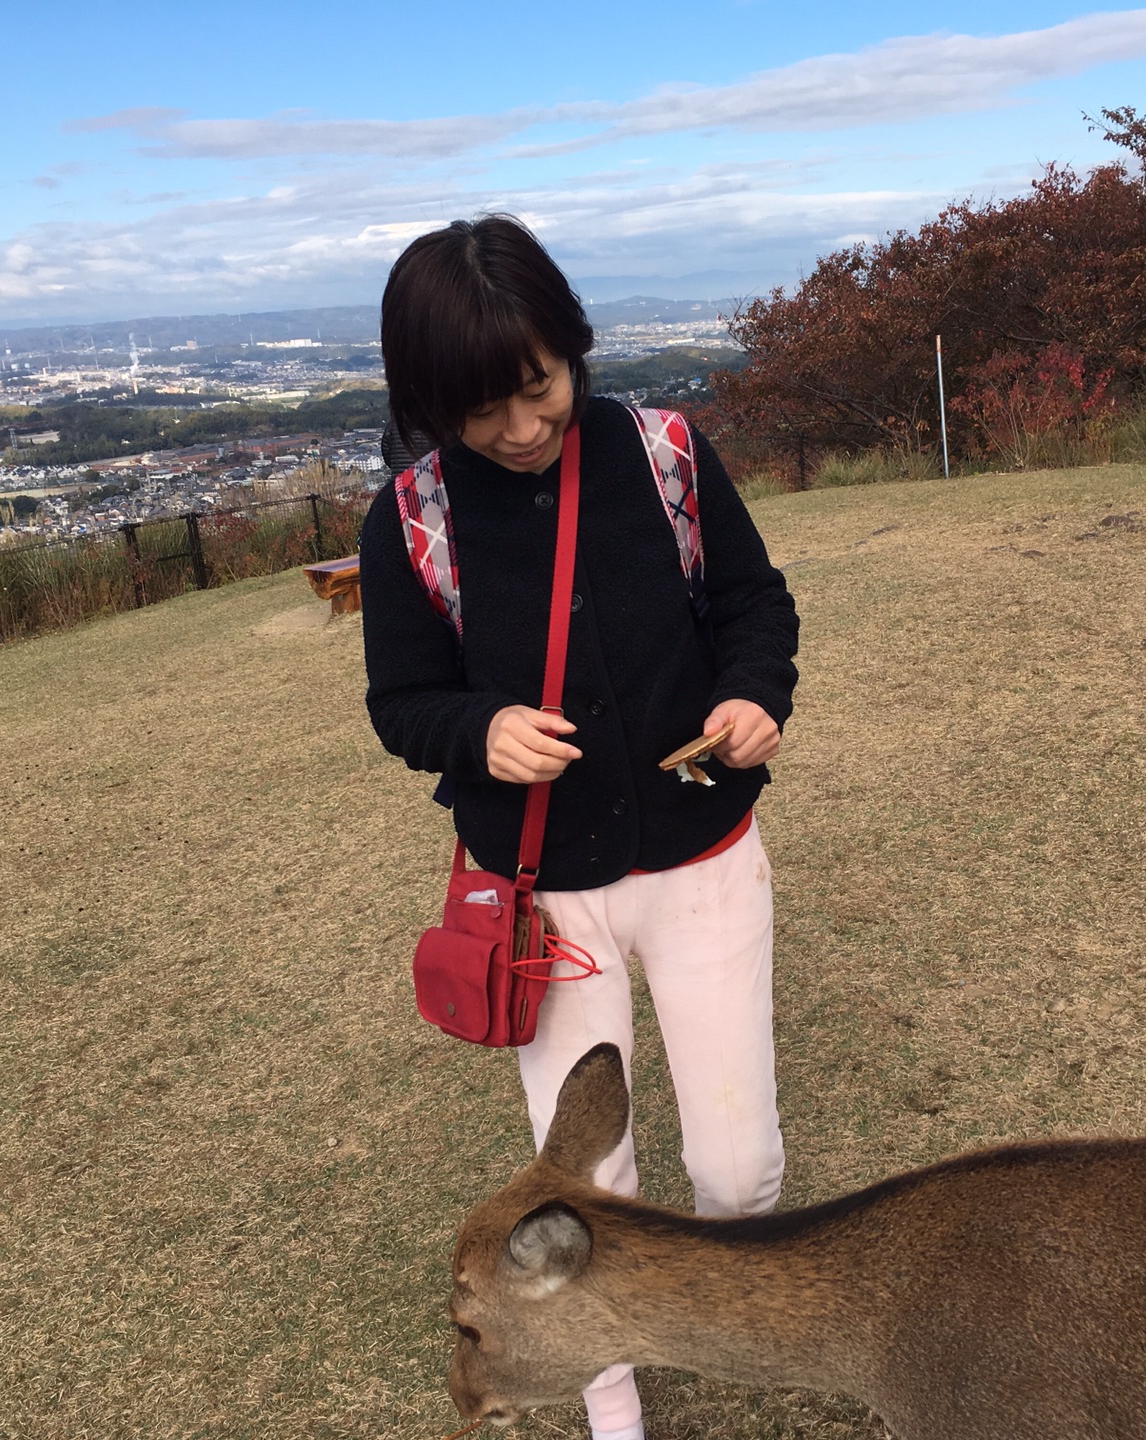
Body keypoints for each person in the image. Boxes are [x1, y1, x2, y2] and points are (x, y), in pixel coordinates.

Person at [360, 216, 799, 1440]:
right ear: (427, 403)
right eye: (478, 409)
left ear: (573, 347)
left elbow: (753, 603)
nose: (517, 428)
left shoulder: (662, 452)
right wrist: (478, 728)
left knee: (737, 1170)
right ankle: (614, 1400)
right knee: (584, 1187)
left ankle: (739, 1313)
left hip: (705, 861)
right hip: (542, 901)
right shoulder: (411, 520)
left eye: (538, 387)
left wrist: (756, 695)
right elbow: (402, 705)